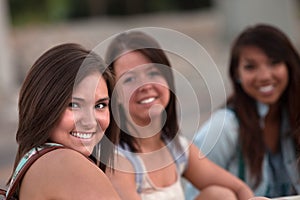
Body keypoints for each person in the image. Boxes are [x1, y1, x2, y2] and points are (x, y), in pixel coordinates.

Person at [104, 30, 254, 200]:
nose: (145, 85)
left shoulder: (176, 148)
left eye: (153, 73)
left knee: (220, 195)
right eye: (129, 79)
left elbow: (239, 188)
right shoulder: (118, 161)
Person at [185, 24, 300, 199]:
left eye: (274, 62)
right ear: (236, 74)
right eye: (250, 67)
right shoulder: (224, 127)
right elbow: (194, 195)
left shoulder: (294, 117)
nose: (264, 76)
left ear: (290, 66)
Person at [6, 43, 121, 199]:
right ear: (44, 107)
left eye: (100, 105)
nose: (90, 122)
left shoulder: (36, 163)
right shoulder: (66, 164)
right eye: (74, 105)